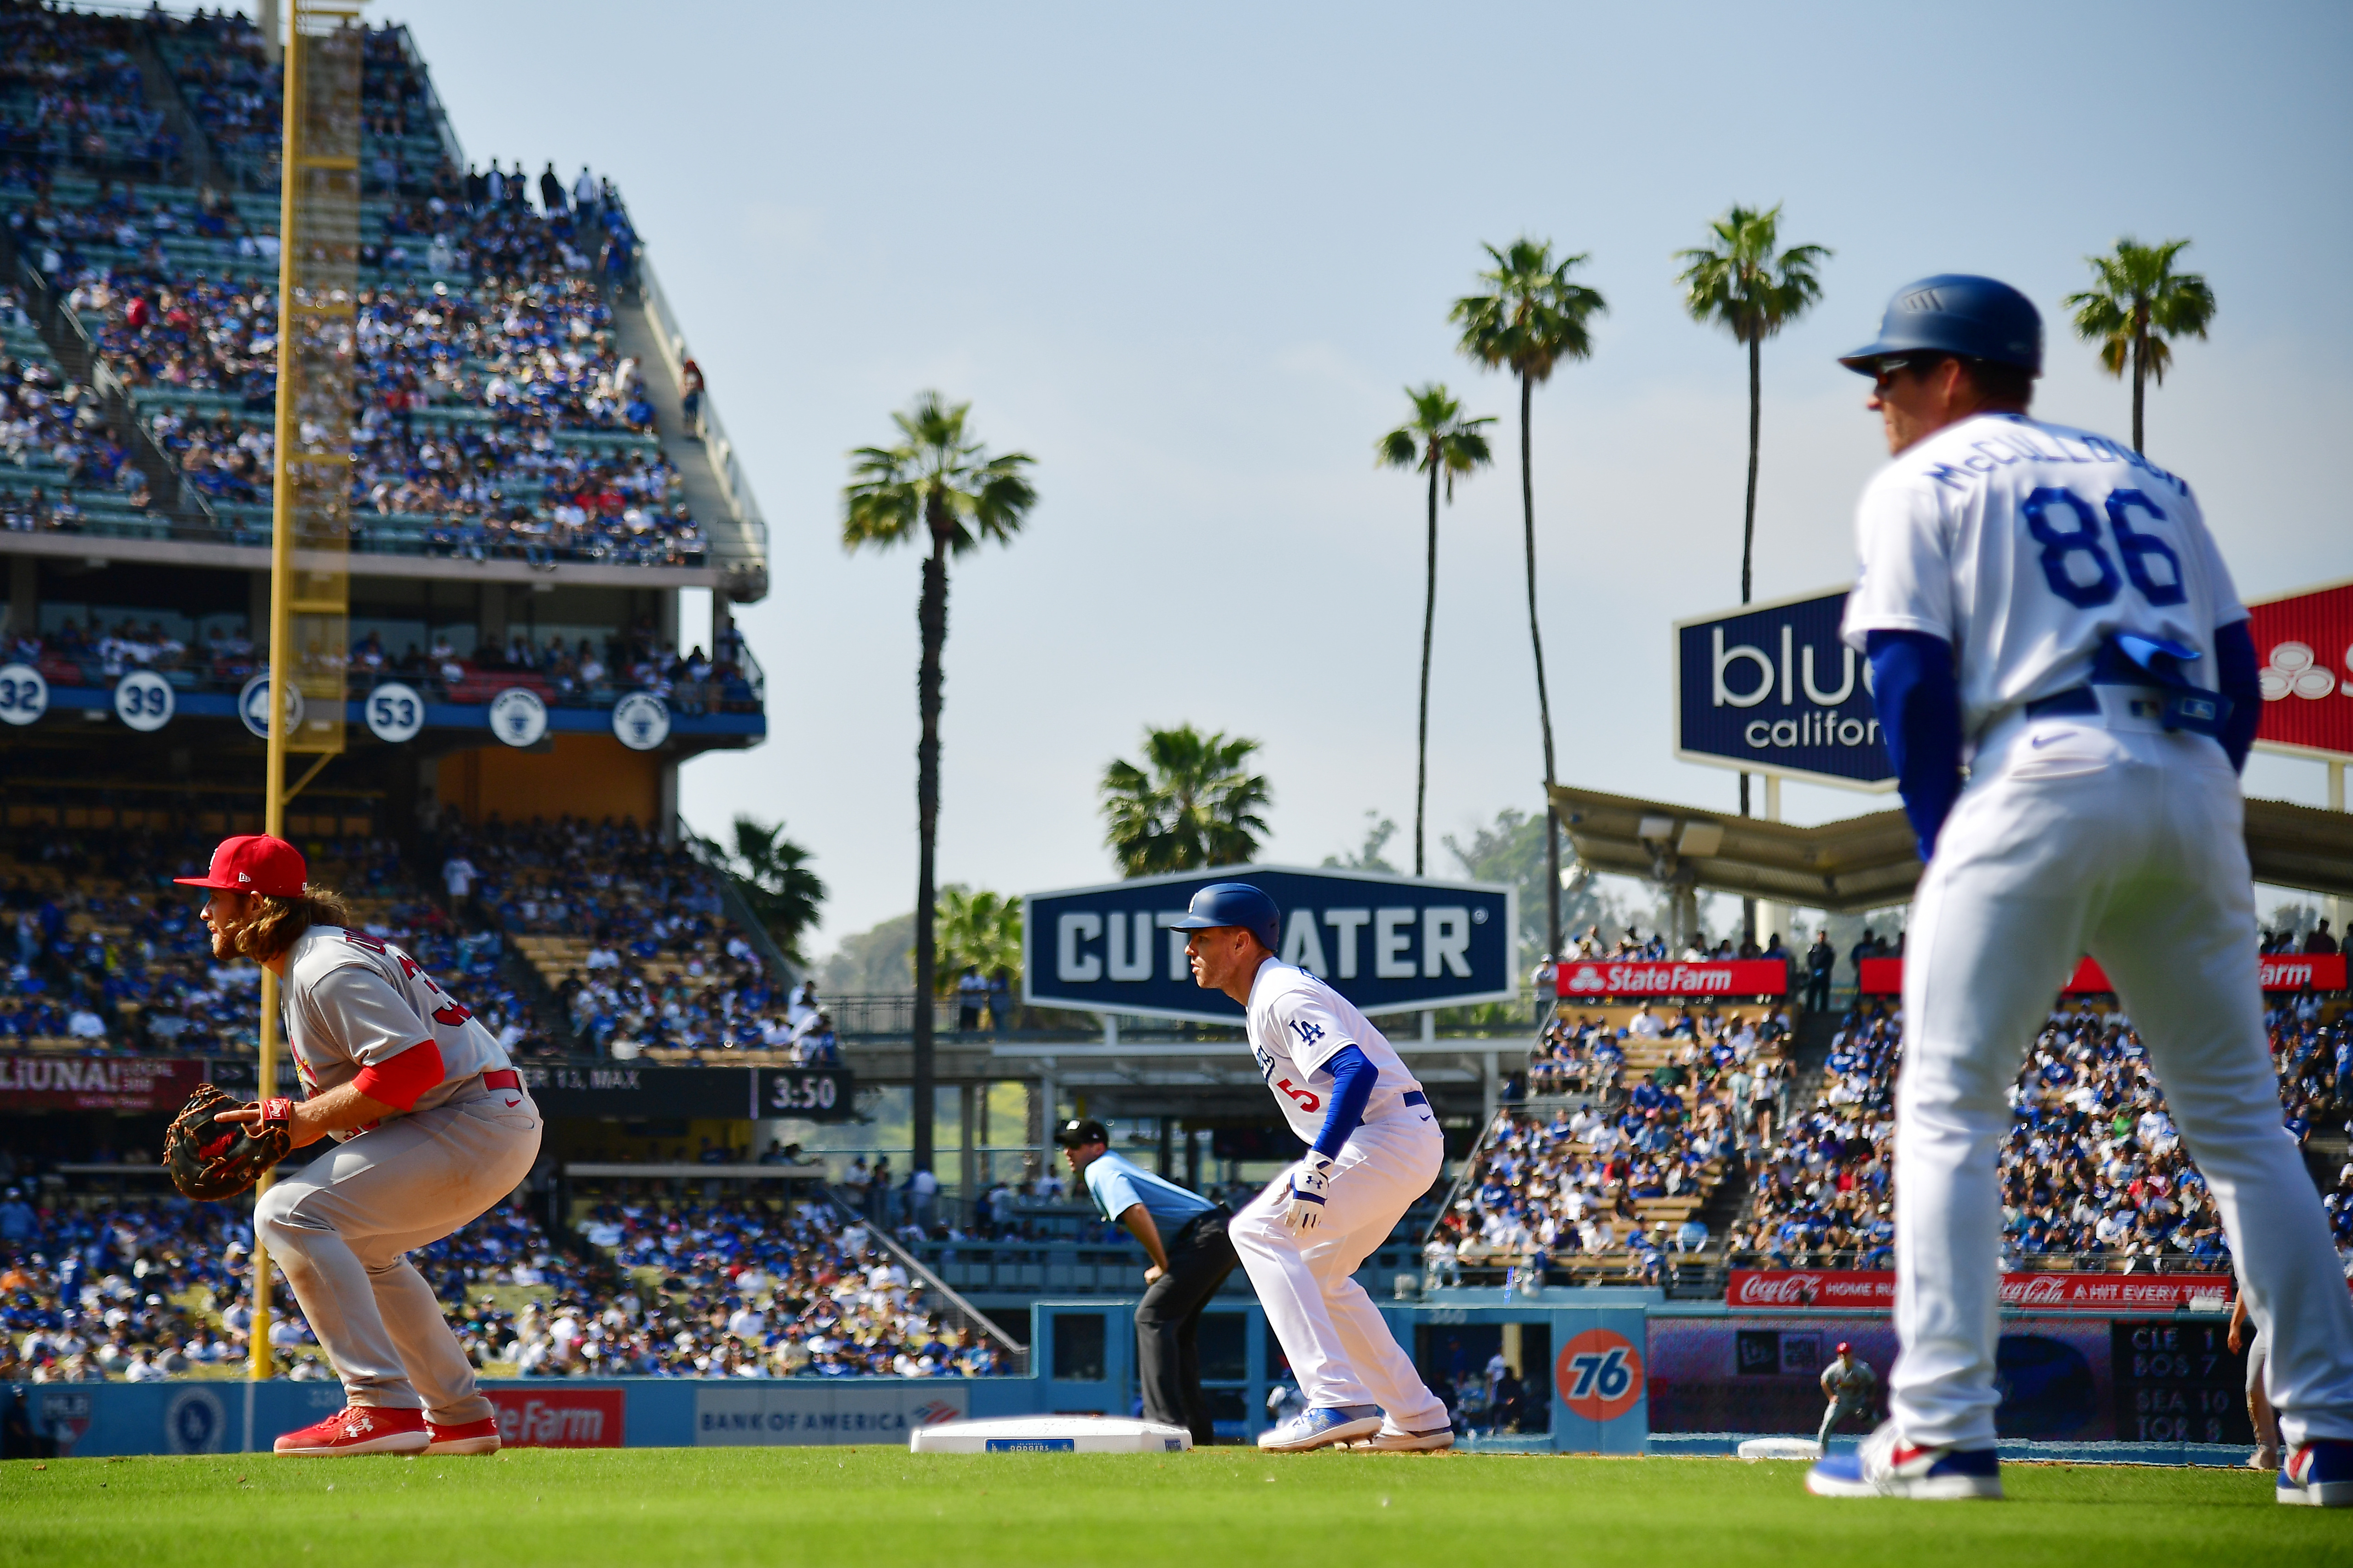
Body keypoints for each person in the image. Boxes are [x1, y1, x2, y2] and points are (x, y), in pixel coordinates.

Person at [1804, 275, 2353, 1506]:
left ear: (1954, 375)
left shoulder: (1921, 483)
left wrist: (1954, 845)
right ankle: (2331, 1433)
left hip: (2037, 766)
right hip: (2190, 774)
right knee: (2245, 1131)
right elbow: (2240, 673)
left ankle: (1943, 1429)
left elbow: (1908, 681)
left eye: (1891, 375)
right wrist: (2189, 797)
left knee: (1950, 1106)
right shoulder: (2148, 480)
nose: (1879, 400)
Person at [179, 834, 539, 1458]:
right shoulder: (315, 959)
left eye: (218, 896)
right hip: (477, 1119)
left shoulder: (324, 966)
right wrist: (296, 1123)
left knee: (288, 1212)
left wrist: (299, 1121)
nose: (205, 911)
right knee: (365, 1253)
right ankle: (458, 1418)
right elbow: (393, 1084)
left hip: (470, 1116)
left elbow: (412, 1068)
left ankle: (378, 1405)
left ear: (257, 904)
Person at [1171, 882, 1452, 1452]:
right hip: (1399, 1139)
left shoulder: (1280, 994)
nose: (1189, 949)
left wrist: (1318, 1168)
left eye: (1202, 937)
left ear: (1241, 941)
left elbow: (1355, 1073)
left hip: (1386, 1135)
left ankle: (1333, 1398)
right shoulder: (1266, 997)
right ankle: (1417, 1416)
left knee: (1254, 1229)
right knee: (1321, 1273)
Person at [1057, 1116, 1238, 1446]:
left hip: (1204, 1237)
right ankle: (1195, 1433)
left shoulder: (1098, 1168)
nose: (1067, 1152)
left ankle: (1165, 1425)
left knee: (1151, 1318)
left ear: (1096, 1147)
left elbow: (1135, 1210)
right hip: (1217, 1233)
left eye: (1074, 1145)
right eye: (1065, 1145)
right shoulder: (1108, 1164)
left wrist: (1161, 1264)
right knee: (1177, 1329)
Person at [2232, 1292, 2283, 1474]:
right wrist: (2235, 1325)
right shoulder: (2258, 1262)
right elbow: (2245, 1288)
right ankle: (2267, 1452)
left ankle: (2306, 1450)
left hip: (2300, 1327)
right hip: (2267, 1329)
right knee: (2254, 1388)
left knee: (2295, 1390)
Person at [1817, 1341, 1877, 1450]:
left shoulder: (1862, 1368)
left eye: (1846, 1354)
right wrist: (1831, 1397)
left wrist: (1870, 1398)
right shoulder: (1835, 1368)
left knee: (1877, 1426)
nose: (1844, 1357)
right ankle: (1822, 1455)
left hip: (1859, 1402)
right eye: (1841, 1354)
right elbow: (1824, 1380)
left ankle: (1884, 1454)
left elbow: (1873, 1381)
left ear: (1852, 1354)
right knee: (1826, 1426)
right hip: (1842, 1402)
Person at [1804, 930, 1836, 1014]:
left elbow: (1831, 962)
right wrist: (1813, 971)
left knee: (1824, 995)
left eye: (1823, 936)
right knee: (1811, 994)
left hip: (1824, 976)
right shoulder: (1813, 948)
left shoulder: (1829, 949)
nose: (1822, 938)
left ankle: (1823, 1012)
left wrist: (1824, 971)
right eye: (1820, 936)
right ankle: (1809, 1011)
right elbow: (1809, 960)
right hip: (1814, 976)